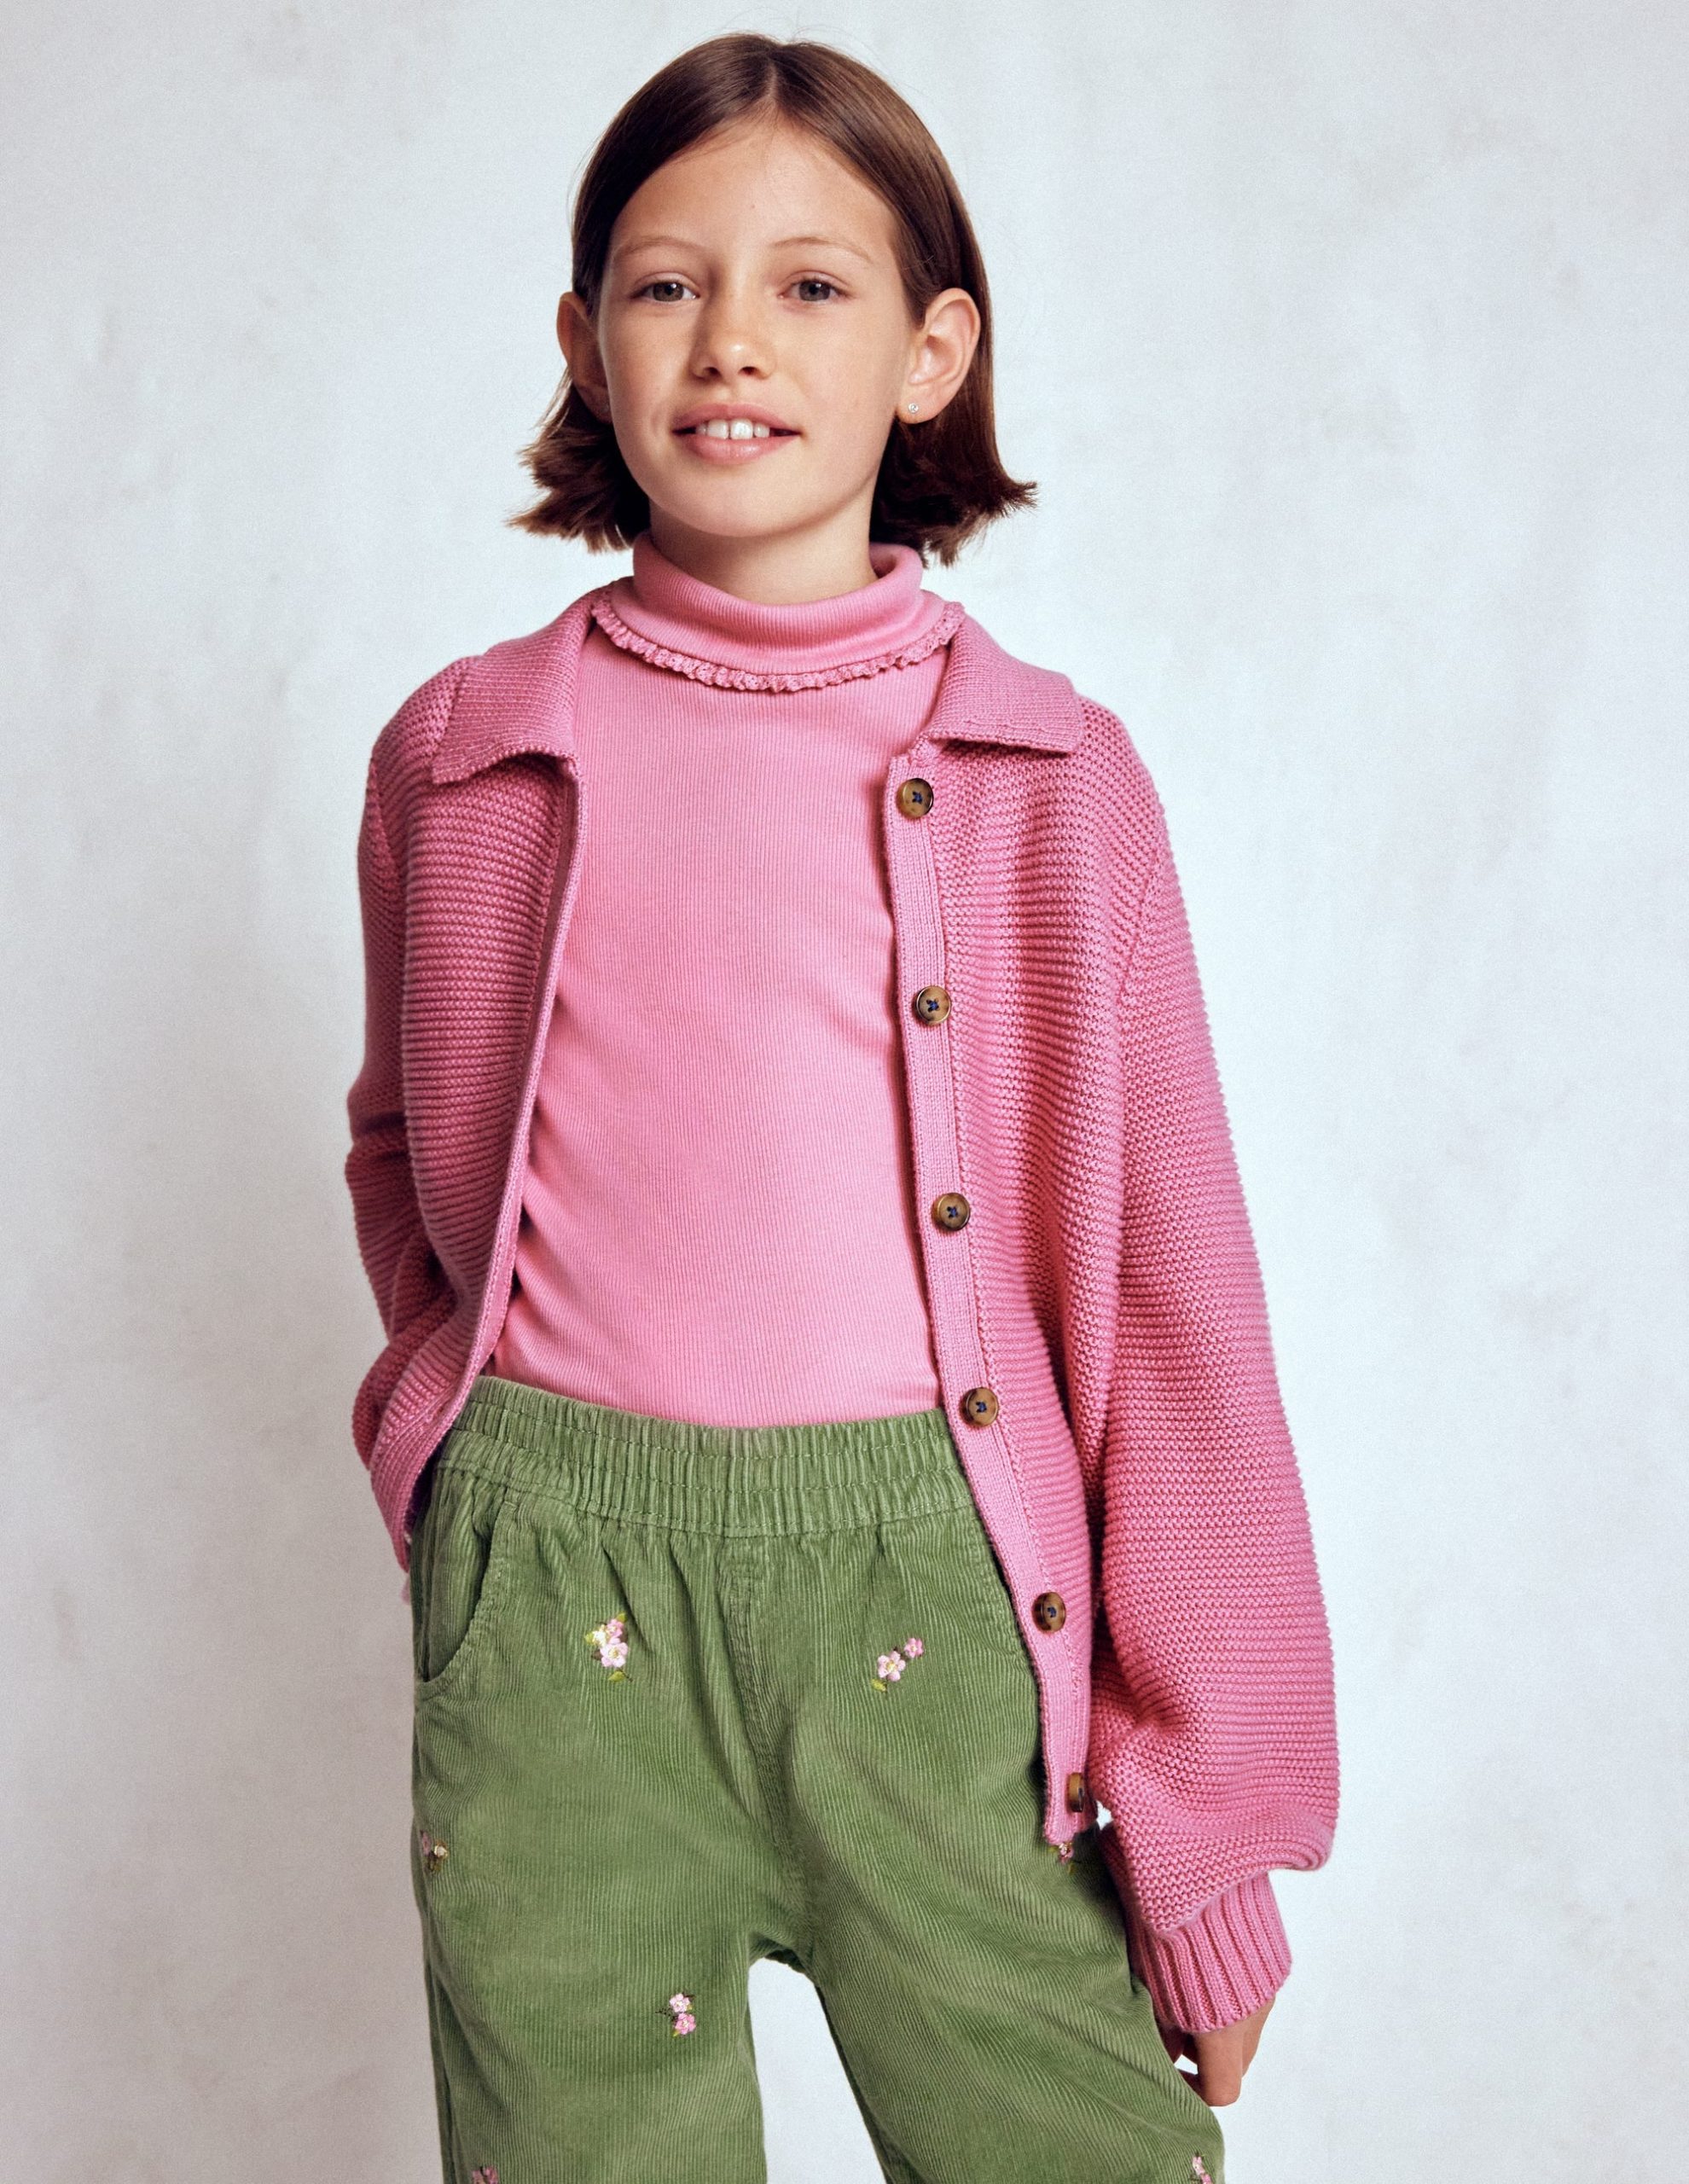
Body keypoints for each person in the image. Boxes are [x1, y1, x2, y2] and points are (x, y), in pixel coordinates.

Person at [344, 31, 1338, 2184]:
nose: (733, 338)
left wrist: (1209, 1825)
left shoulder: (1051, 784)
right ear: (585, 345)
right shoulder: (461, 754)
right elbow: (407, 1147)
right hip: (551, 1613)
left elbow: (1173, 1298)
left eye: (812, 285)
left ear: (929, 351)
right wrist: (458, 1436)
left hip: (940, 1595)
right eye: (666, 282)